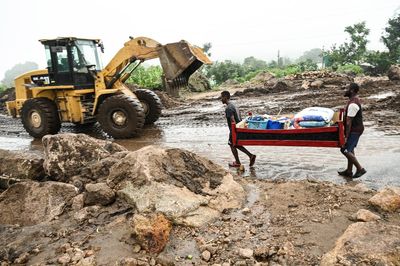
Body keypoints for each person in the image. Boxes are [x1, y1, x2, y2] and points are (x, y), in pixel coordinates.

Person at [221, 90, 256, 168]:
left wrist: (233, 131)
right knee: (235, 144)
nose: (221, 99)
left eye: (222, 97)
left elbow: (232, 120)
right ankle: (250, 156)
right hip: (239, 128)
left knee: (231, 144)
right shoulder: (234, 105)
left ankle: (238, 162)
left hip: (234, 129)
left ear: (225, 97)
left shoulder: (228, 108)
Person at [338, 83, 367, 178]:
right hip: (355, 129)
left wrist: (346, 136)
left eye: (347, 88)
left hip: (355, 130)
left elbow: (349, 122)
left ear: (352, 90)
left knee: (345, 150)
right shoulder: (352, 101)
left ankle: (360, 169)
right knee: (350, 150)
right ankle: (349, 171)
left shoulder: (353, 104)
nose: (345, 90)